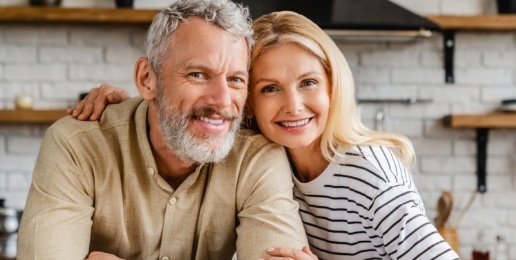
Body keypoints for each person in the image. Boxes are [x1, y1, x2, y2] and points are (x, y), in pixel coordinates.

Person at [72, 11, 460, 260]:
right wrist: (126, 102)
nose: (292, 106)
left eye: (308, 82)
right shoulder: (268, 160)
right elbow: (198, 108)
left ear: (333, 86)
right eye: (270, 88)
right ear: (249, 102)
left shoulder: (369, 174)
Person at [16, 1, 309, 259]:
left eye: (235, 80)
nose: (222, 100)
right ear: (147, 79)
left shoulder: (257, 159)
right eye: (198, 74)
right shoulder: (76, 145)